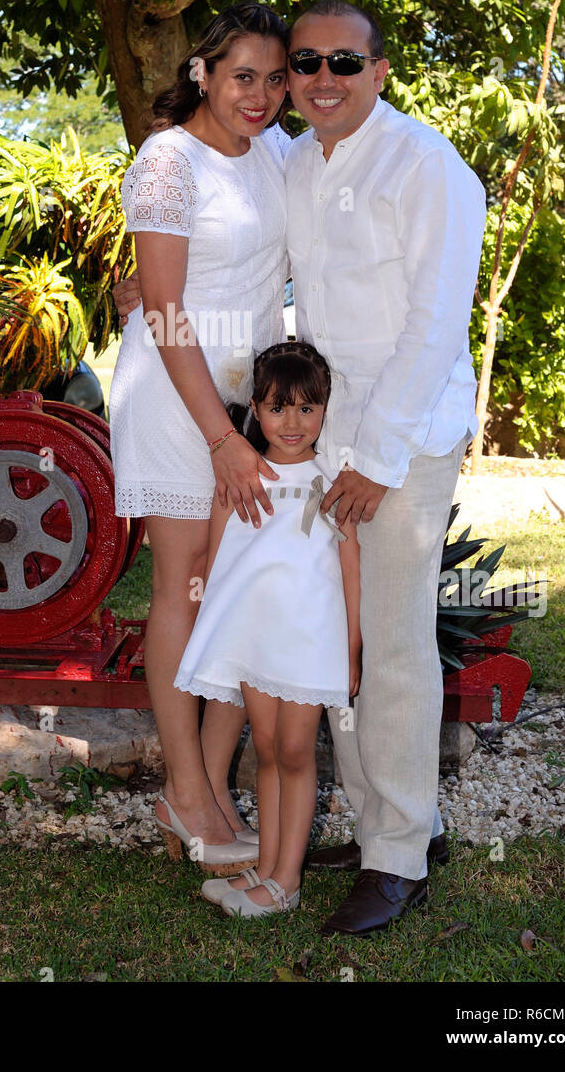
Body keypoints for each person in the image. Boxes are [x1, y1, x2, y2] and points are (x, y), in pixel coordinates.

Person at [115, 0, 487, 934]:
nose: (313, 81)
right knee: (309, 630)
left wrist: (373, 454)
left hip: (381, 436)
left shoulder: (424, 167)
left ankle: (397, 852)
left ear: (380, 71)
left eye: (337, 65)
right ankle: (368, 822)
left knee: (387, 642)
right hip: (285, 430)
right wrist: (147, 293)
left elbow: (435, 327)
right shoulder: (302, 158)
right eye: (299, 65)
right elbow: (196, 274)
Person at [108, 2, 292, 874]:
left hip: (248, 402)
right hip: (180, 401)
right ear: (203, 76)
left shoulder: (277, 153)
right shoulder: (166, 161)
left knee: (240, 593)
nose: (259, 95)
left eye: (274, 77)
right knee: (183, 591)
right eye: (242, 76)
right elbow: (165, 305)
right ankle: (184, 790)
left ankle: (211, 789)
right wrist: (220, 438)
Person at [174, 341, 361, 919]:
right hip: (255, 637)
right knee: (270, 751)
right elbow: (218, 554)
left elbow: (351, 569)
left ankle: (287, 880)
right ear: (256, 407)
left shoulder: (332, 483)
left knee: (298, 750)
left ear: (326, 411)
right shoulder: (244, 474)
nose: (293, 422)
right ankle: (269, 866)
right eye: (278, 408)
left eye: (308, 408)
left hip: (309, 640)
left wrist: (352, 647)